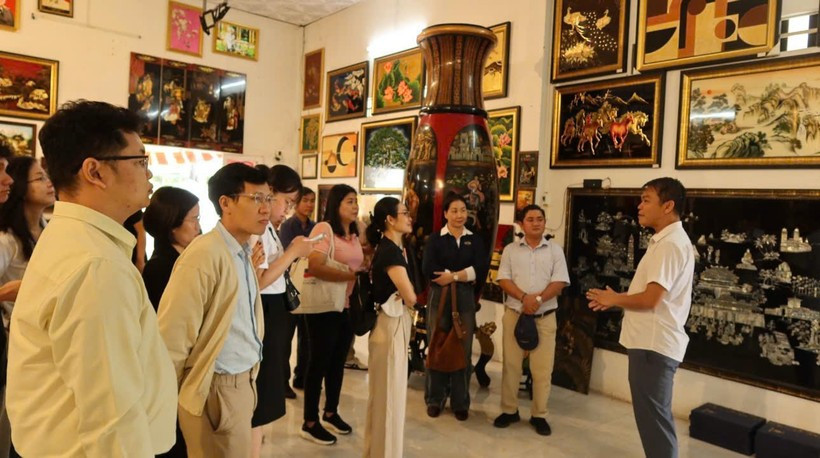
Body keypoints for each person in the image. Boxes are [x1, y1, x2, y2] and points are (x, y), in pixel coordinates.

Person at [6, 100, 177, 456]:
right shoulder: (96, 265)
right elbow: (113, 418)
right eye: (140, 161)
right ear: (95, 172)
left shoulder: (74, 238)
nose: (149, 173)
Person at [158, 163, 273, 457]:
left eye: (268, 199)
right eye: (256, 199)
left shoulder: (241, 250)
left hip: (242, 381)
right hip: (216, 387)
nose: (266, 209)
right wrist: (165, 404)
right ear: (226, 203)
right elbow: (173, 335)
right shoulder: (204, 254)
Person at [586, 177, 694, 458]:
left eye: (646, 200)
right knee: (653, 422)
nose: (639, 206)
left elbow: (650, 299)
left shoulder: (671, 244)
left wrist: (613, 299)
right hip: (650, 344)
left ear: (668, 205)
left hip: (653, 345)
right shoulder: (665, 241)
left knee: (655, 424)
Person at [250, 165, 314, 458]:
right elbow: (260, 279)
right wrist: (293, 253)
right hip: (265, 308)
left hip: (275, 310)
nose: (286, 210)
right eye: (285, 202)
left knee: (266, 396)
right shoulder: (258, 231)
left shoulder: (270, 231)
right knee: (259, 397)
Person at [494, 204, 569, 436]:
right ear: (522, 223)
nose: (536, 223)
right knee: (511, 366)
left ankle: (539, 415)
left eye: (540, 219)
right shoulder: (510, 250)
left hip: (545, 317)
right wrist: (524, 298)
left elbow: (560, 283)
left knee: (542, 370)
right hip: (515, 315)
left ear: (545, 222)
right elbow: (503, 279)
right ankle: (509, 410)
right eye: (530, 219)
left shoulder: (555, 251)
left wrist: (536, 299)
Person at [300, 184, 363, 445]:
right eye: (349, 201)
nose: (355, 206)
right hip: (324, 307)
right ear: (336, 204)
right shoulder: (323, 230)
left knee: (338, 363)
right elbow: (315, 265)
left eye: (355, 201)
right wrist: (350, 275)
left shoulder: (355, 234)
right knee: (319, 363)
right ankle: (309, 421)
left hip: (346, 307)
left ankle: (331, 412)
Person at [0, 155, 54, 457]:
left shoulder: (47, 230)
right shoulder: (8, 239)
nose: (49, 183)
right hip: (14, 341)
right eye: (39, 178)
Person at [421, 192, 488, 421]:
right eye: (455, 211)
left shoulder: (475, 239)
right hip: (439, 298)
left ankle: (461, 402)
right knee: (436, 345)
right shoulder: (436, 239)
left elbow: (479, 269)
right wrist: (462, 274)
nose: (460, 215)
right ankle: (434, 398)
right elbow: (430, 269)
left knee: (463, 348)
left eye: (463, 210)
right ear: (445, 213)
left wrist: (453, 276)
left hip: (465, 297)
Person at [363, 197, 417, 458]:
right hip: (390, 325)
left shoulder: (395, 247)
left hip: (392, 324)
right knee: (389, 399)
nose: (409, 217)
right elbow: (411, 296)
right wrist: (409, 297)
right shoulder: (390, 251)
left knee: (387, 397)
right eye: (404, 213)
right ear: (390, 220)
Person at [278, 186, 316, 389]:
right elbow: (289, 254)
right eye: (306, 200)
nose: (309, 205)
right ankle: (282, 381)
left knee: (306, 336)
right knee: (286, 337)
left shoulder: (315, 226)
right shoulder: (288, 226)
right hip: (290, 285)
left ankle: (301, 376)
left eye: (312, 201)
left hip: (310, 285)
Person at [142, 186, 201, 309]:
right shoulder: (158, 269)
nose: (198, 227)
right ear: (173, 224)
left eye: (198, 219)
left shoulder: (194, 256)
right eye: (194, 219)